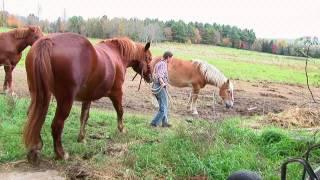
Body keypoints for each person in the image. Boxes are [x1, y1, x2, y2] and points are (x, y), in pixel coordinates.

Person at [150, 51, 173, 128]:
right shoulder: (163, 64)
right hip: (160, 86)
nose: (171, 60)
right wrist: (162, 83)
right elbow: (160, 75)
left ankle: (165, 122)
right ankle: (154, 123)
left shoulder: (158, 63)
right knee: (163, 106)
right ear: (168, 57)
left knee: (163, 105)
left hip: (155, 86)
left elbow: (155, 74)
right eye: (171, 58)